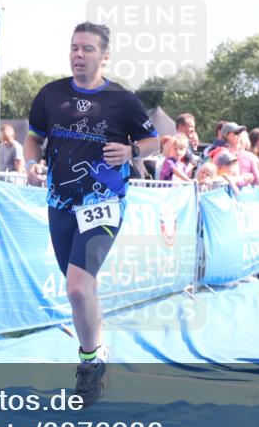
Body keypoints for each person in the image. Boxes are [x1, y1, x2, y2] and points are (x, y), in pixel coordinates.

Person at [24, 22, 159, 404]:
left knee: (77, 288)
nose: (78, 55)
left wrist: (133, 152)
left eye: (86, 49)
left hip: (103, 203)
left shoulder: (122, 99)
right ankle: (98, 349)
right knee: (84, 290)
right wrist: (31, 163)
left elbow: (154, 142)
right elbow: (34, 137)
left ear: (104, 55)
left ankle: (89, 364)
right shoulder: (51, 94)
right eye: (73, 48)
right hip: (60, 202)